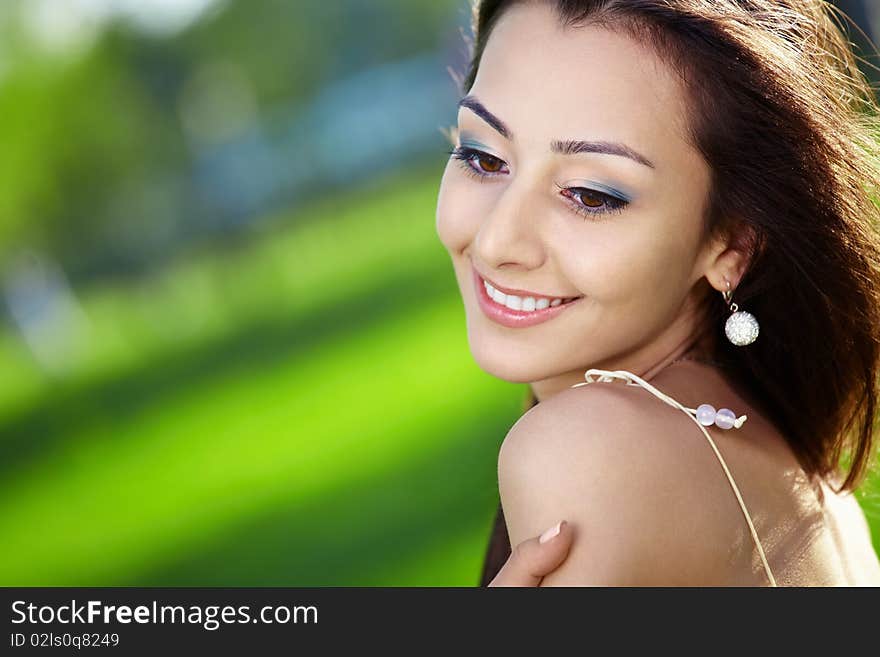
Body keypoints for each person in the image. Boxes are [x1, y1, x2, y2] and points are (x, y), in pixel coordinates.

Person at [435, 0, 880, 586]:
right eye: (483, 156)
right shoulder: (779, 449)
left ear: (731, 247)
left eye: (592, 195)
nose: (497, 241)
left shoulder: (587, 452)